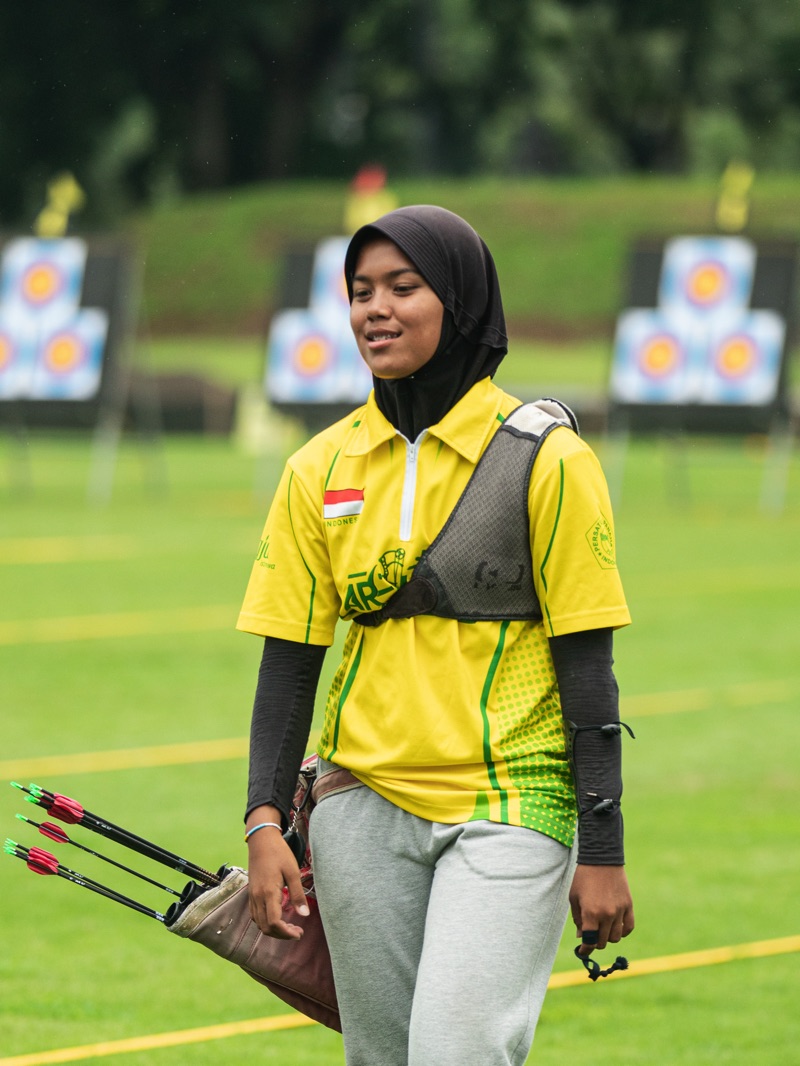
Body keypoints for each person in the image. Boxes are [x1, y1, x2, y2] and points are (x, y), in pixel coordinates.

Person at [237, 205, 634, 1066]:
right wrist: (265, 820)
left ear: (459, 300)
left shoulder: (549, 459)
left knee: (458, 1050)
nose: (375, 310)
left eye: (403, 288)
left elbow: (588, 667)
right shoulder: (320, 465)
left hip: (511, 800)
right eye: (360, 292)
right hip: (357, 806)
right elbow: (290, 658)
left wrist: (602, 848)